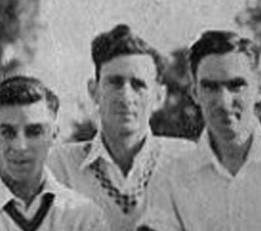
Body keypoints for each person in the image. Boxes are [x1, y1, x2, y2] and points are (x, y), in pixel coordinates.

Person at [47, 24, 194, 231]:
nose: (126, 96)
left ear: (159, 96)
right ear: (94, 91)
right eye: (115, 83)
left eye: (138, 84)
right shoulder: (58, 167)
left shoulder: (187, 160)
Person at [137, 30, 261, 231]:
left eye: (236, 85)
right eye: (211, 87)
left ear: (259, 90)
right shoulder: (170, 179)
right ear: (195, 93)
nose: (223, 101)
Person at [0, 75, 109, 231]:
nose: (20, 146)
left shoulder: (84, 217)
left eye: (34, 132)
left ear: (54, 135)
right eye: (6, 132)